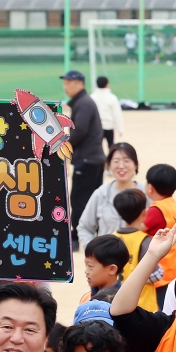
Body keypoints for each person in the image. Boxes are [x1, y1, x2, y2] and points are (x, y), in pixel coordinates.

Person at [63, 69, 107, 252]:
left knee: (80, 200)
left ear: (80, 84)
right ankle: (91, 236)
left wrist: (63, 145)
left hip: (87, 160)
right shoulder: (83, 102)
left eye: (69, 83)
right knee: (92, 200)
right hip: (93, 158)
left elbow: (79, 130)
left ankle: (76, 237)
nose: (65, 87)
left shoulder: (84, 103)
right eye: (64, 83)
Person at [77, 143, 146, 247]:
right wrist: (93, 252)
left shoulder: (146, 194)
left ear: (135, 164)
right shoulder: (100, 194)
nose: (121, 166)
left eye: (126, 161)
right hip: (107, 260)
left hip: (140, 260)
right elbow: (84, 227)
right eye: (116, 161)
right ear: (109, 165)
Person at [142, 163, 176, 305]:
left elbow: (139, 227)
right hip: (174, 265)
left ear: (150, 187)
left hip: (162, 269)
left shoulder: (156, 209)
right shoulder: (172, 203)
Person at [113, 188, 158, 314]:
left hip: (116, 302)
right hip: (143, 305)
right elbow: (154, 274)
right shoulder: (144, 240)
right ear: (144, 212)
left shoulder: (112, 238)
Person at [81, 235, 129, 303]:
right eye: (86, 265)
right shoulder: (86, 299)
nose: (86, 271)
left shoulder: (124, 303)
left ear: (112, 269)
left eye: (90, 266)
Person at [91, 76, 124, 151]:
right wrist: (120, 129)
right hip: (109, 126)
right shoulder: (112, 97)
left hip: (96, 127)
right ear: (107, 85)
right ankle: (110, 162)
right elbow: (117, 114)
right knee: (111, 147)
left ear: (96, 85)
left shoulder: (92, 97)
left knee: (97, 148)